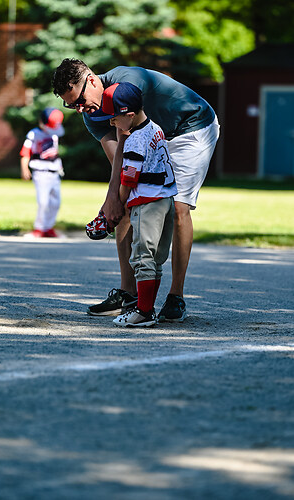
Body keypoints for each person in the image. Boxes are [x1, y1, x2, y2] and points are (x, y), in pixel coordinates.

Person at [52, 59, 220, 321]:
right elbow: (120, 162)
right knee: (130, 200)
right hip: (153, 137)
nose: (79, 109)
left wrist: (111, 199)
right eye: (71, 105)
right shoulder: (92, 113)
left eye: (79, 100)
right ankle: (128, 293)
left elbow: (127, 143)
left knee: (177, 207)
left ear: (93, 80)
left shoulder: (126, 84)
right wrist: (113, 203)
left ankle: (176, 296)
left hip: (189, 127)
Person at [90, 82, 177, 327]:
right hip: (166, 200)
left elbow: (128, 179)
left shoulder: (135, 141)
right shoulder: (156, 129)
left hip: (148, 205)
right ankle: (147, 308)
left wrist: (116, 204)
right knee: (155, 259)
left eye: (114, 118)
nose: (110, 123)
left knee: (141, 257)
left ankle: (143, 312)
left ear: (129, 115)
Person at [20, 107, 65, 238]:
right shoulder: (33, 134)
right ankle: (39, 228)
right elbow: (25, 152)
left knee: (56, 202)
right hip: (41, 172)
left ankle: (48, 227)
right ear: (41, 122)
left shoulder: (55, 133)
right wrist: (24, 169)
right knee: (43, 202)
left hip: (55, 172)